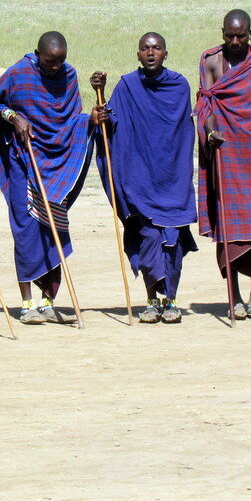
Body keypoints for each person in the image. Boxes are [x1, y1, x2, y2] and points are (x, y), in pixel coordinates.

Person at [0, 31, 106, 324]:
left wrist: (90, 120)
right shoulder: (18, 73)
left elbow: (71, 118)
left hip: (55, 163)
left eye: (61, 61)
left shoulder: (69, 75)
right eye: (50, 61)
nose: (55, 67)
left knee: (52, 229)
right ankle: (26, 304)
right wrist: (13, 117)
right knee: (24, 228)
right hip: (23, 160)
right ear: (37, 54)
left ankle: (48, 301)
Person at [89, 32, 198, 323]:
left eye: (157, 48)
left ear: (166, 53)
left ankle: (171, 300)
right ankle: (151, 300)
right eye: (145, 48)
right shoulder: (126, 86)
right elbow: (111, 122)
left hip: (171, 177)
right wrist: (99, 109)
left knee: (172, 240)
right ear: (138, 54)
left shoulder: (178, 86)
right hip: (139, 178)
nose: (151, 53)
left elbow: (183, 133)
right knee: (148, 236)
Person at [198, 9, 251, 320]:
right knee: (228, 228)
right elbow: (206, 101)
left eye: (241, 36)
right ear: (222, 32)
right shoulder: (210, 60)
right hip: (225, 151)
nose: (235, 41)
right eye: (229, 36)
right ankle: (233, 296)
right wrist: (209, 131)